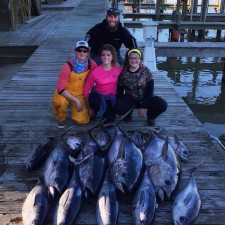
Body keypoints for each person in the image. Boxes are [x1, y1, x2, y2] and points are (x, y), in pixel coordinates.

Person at [116, 48, 168, 126]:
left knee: (162, 105)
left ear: (140, 59)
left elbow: (150, 90)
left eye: (136, 58)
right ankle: (128, 114)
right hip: (131, 98)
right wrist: (119, 106)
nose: (134, 60)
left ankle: (151, 117)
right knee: (119, 107)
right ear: (128, 59)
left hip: (146, 97)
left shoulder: (146, 71)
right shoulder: (123, 73)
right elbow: (120, 89)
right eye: (131, 58)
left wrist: (143, 106)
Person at [52, 40, 97, 129]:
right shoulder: (67, 66)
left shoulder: (92, 64)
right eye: (79, 50)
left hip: (79, 93)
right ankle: (60, 118)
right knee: (60, 102)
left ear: (88, 52)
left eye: (85, 51)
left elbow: (98, 77)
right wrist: (76, 100)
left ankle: (72, 107)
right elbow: (61, 88)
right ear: (75, 51)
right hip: (65, 92)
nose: (82, 53)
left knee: (83, 120)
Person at [83, 44, 123, 124]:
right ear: (100, 57)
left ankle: (108, 113)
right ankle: (94, 111)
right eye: (103, 55)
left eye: (108, 55)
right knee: (94, 99)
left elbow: (131, 67)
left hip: (111, 98)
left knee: (109, 123)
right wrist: (89, 108)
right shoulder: (95, 72)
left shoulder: (118, 68)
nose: (106, 57)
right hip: (98, 97)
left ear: (112, 56)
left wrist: (141, 65)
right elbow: (86, 89)